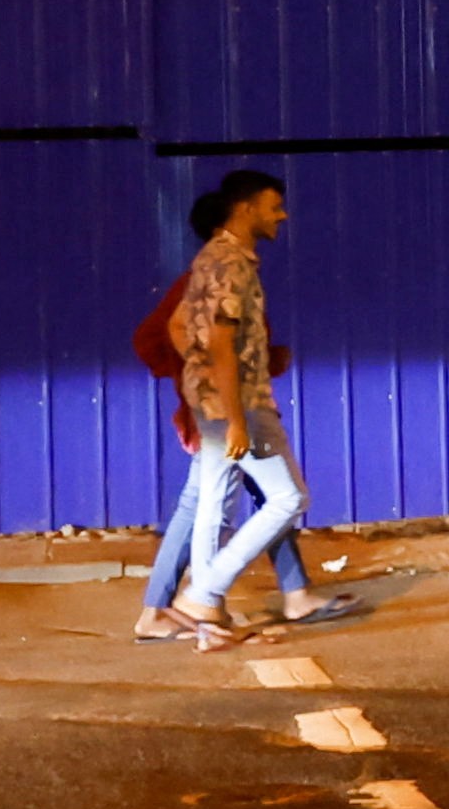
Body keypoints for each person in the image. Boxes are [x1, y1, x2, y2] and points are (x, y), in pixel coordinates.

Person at [134, 189, 346, 638]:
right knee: (286, 498)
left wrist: (201, 378)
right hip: (237, 403)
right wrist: (229, 407)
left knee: (211, 502)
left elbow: (188, 330)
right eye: (274, 206)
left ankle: (206, 609)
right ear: (244, 208)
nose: (282, 215)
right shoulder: (230, 264)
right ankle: (198, 597)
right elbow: (216, 342)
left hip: (214, 400)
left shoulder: (210, 262)